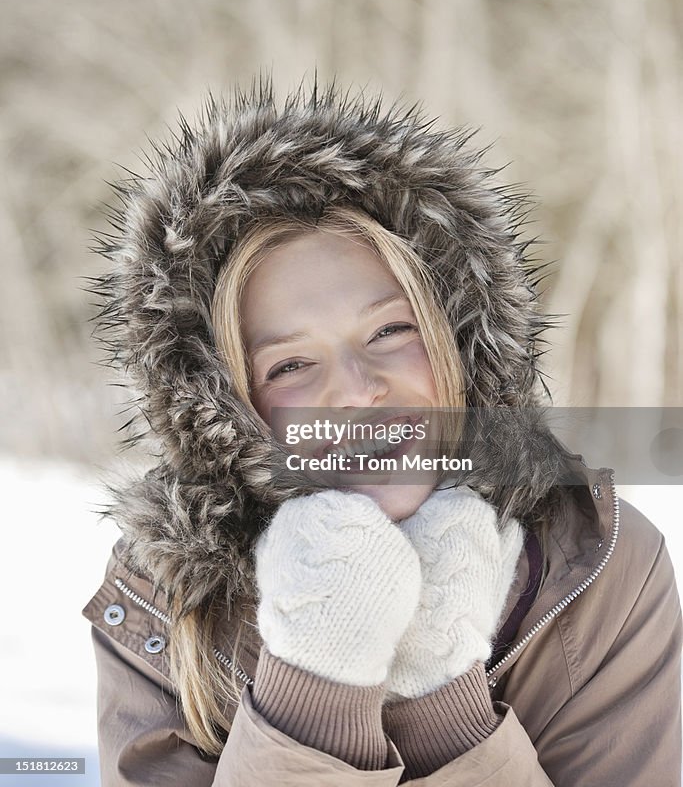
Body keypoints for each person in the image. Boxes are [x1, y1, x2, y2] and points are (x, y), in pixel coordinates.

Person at [83, 80, 682, 786]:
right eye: (292, 364)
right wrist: (315, 679)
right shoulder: (169, 594)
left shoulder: (599, 562)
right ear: (225, 404)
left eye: (390, 330)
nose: (358, 391)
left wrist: (439, 695)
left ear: (460, 336)